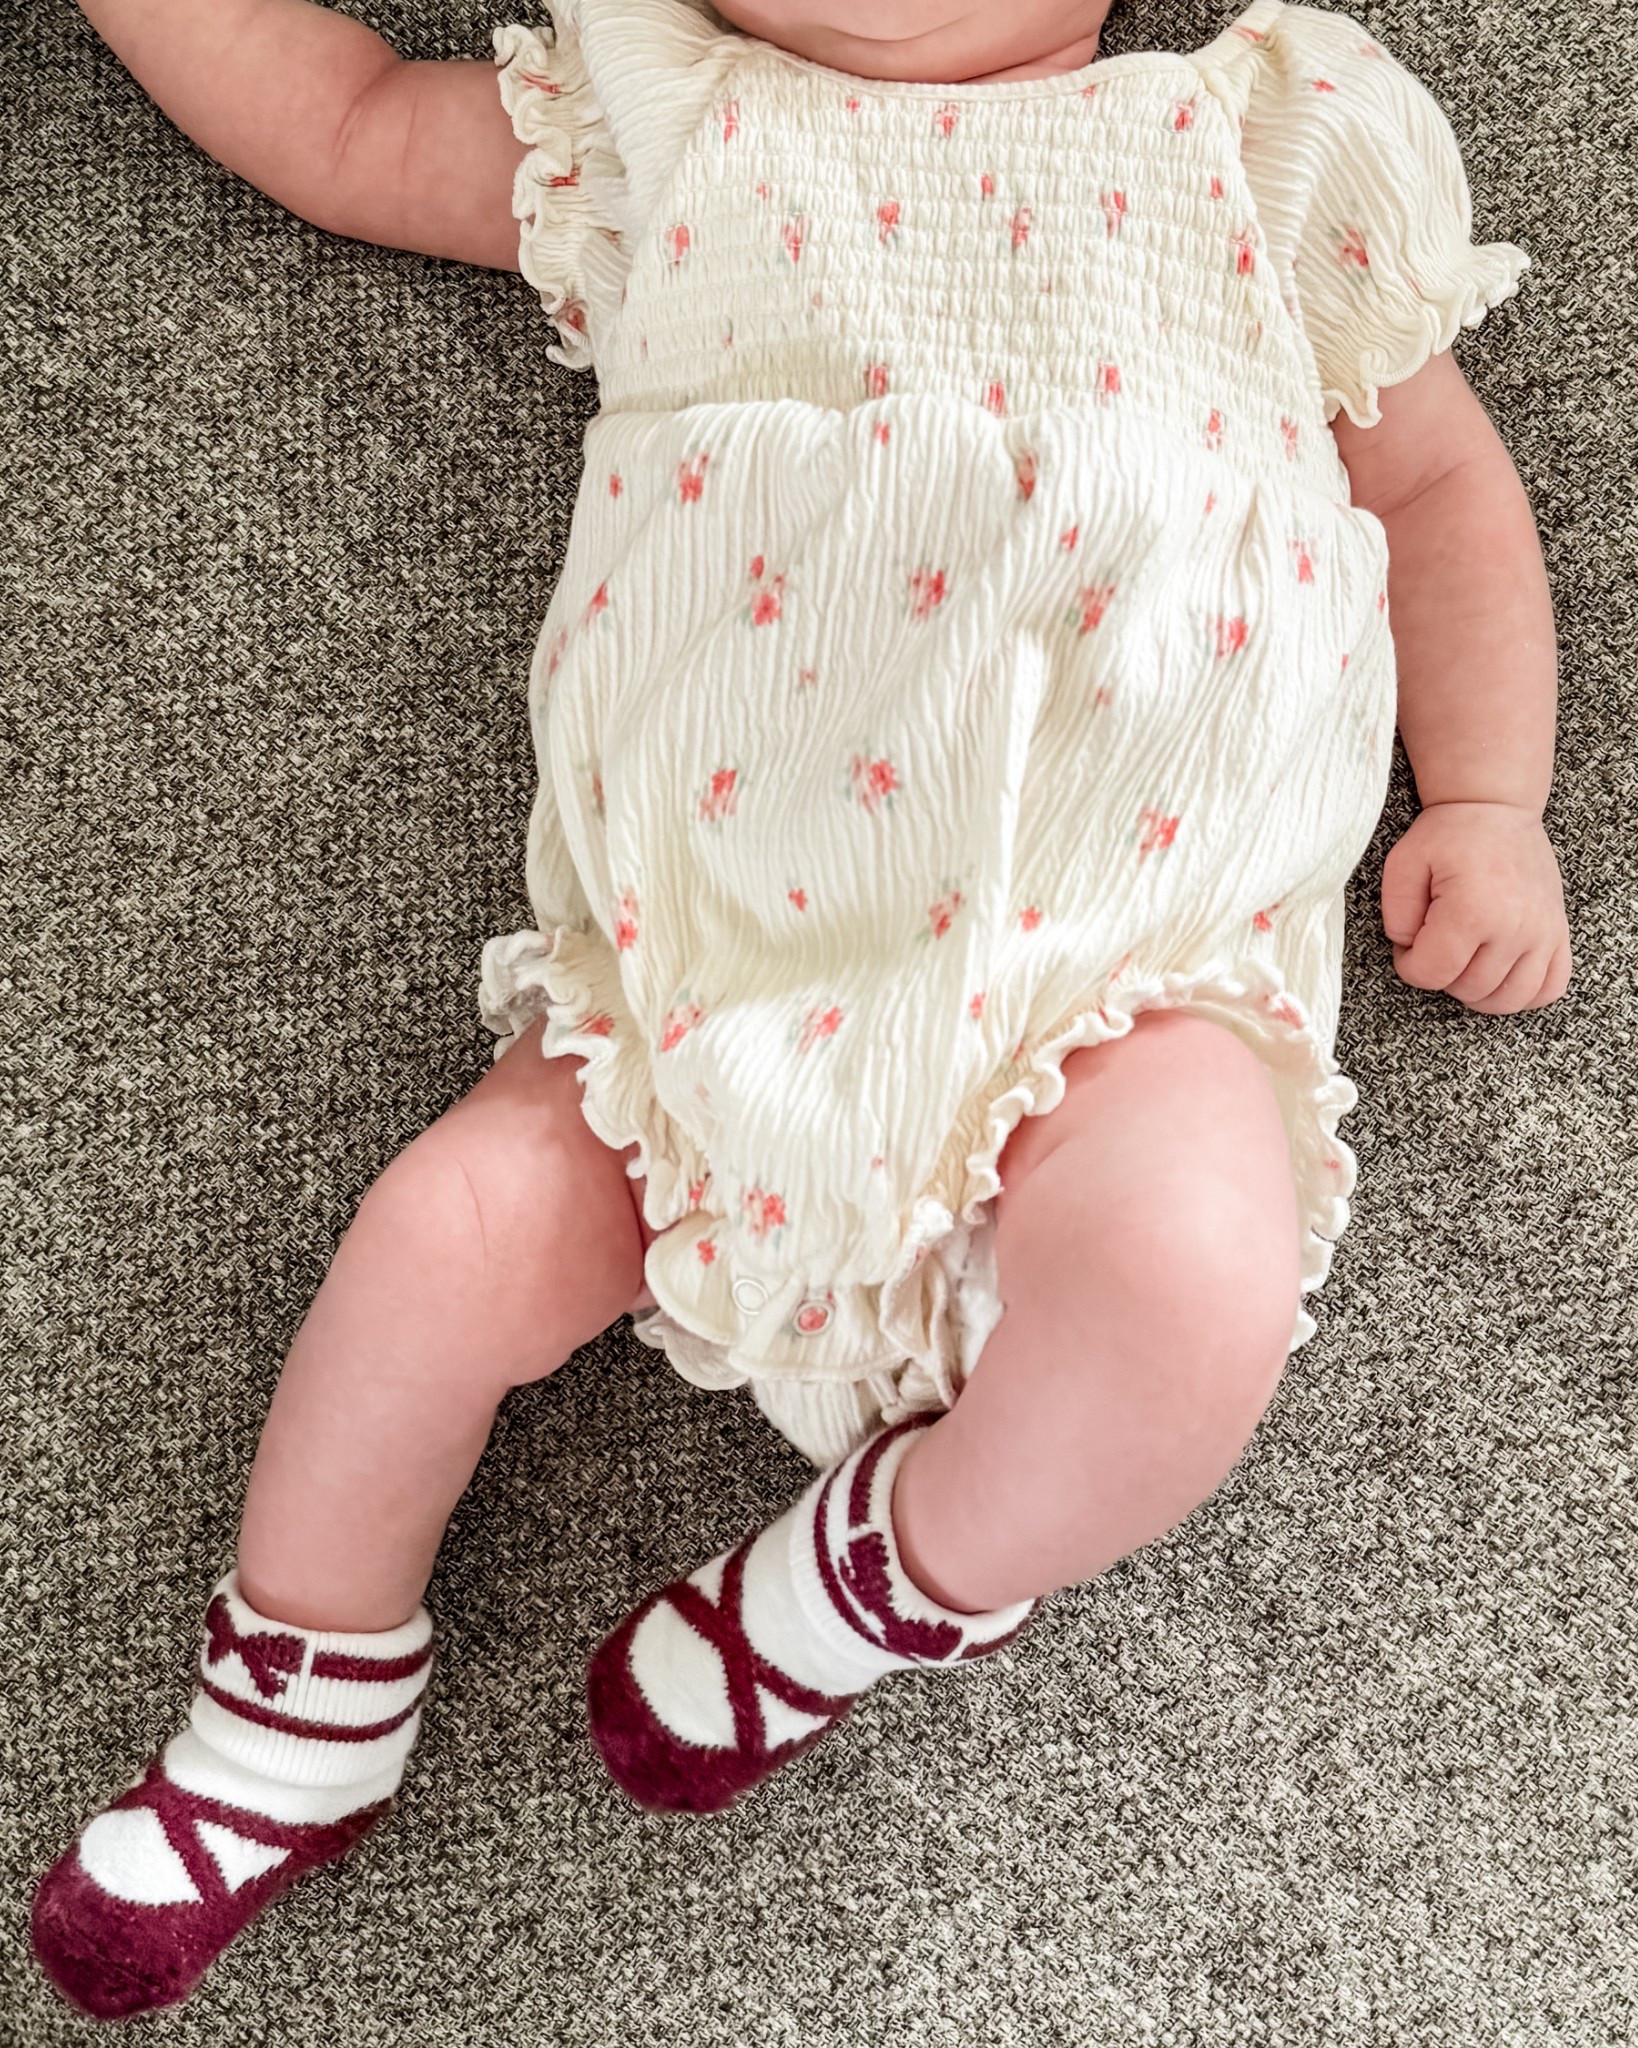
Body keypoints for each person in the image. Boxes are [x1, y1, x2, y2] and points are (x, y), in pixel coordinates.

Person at [32, 0, 1570, 2020]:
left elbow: (1441, 493)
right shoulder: (663, 119)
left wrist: (1491, 794)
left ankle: (892, 1571)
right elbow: (330, 120)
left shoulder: (1266, 139)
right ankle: (303, 1685)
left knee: (1197, 1280)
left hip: (1118, 959)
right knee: (437, 1242)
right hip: (712, 968)